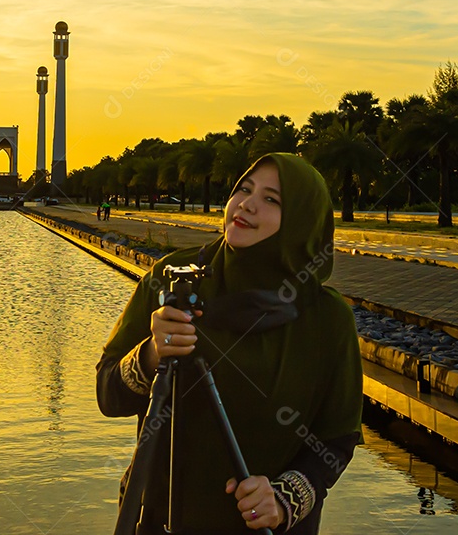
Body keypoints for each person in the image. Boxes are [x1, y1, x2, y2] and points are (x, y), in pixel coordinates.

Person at [96, 153, 362, 534]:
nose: (247, 204)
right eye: (244, 189)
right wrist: (152, 354)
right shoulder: (172, 283)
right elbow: (108, 394)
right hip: (160, 520)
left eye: (272, 199)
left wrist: (284, 500)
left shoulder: (326, 319)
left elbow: (337, 440)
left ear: (302, 220)